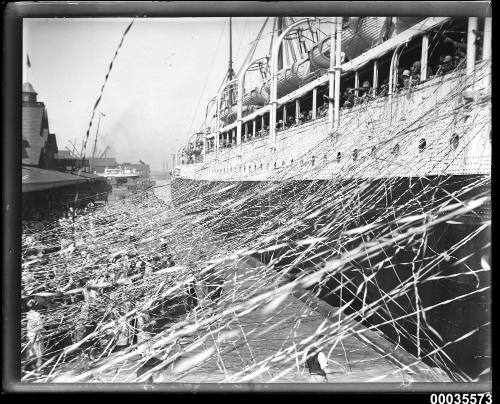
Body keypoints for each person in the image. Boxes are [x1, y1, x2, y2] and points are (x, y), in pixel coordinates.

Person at [25, 299, 45, 369]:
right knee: (38, 353)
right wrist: (43, 320)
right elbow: (40, 327)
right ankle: (39, 369)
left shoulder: (27, 314)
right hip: (36, 336)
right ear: (35, 306)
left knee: (31, 352)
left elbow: (28, 326)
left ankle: (29, 367)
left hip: (29, 336)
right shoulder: (37, 315)